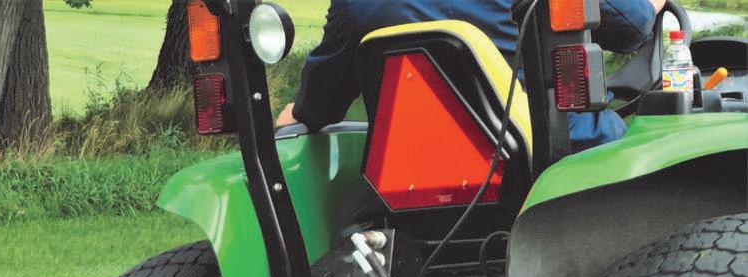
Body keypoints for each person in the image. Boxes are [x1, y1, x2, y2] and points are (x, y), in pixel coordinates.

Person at [275, 0, 666, 150]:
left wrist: (298, 113)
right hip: (558, 157)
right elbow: (632, 26)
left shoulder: (354, 4)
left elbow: (320, 102)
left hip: (417, 183)